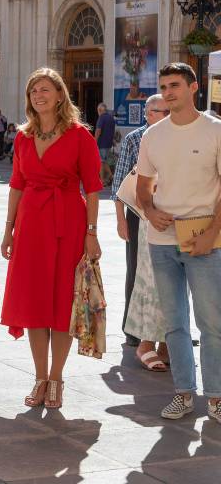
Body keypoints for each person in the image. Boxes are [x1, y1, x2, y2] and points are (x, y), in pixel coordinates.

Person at [0, 67, 102, 409]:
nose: (39, 96)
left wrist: (92, 233)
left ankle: (57, 377)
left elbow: (93, 189)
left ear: (60, 95)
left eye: (45, 90)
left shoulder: (80, 136)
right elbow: (16, 184)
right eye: (33, 92)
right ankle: (40, 376)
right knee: (34, 303)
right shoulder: (23, 137)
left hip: (68, 225)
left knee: (62, 303)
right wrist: (8, 229)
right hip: (30, 226)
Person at [136, 62, 221, 423]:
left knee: (212, 322)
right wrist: (150, 211)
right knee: (174, 323)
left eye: (174, 86)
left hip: (206, 237)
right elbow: (142, 186)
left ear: (193, 87)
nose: (168, 92)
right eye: (164, 87)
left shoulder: (215, 131)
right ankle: (183, 393)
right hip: (162, 239)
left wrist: (212, 234)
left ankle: (216, 397)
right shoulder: (153, 135)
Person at [117, 94, 170, 370]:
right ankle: (137, 334)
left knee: (170, 278)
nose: (162, 115)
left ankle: (166, 339)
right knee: (139, 271)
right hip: (141, 214)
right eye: (159, 111)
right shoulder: (137, 139)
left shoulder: (175, 136)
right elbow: (121, 184)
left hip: (172, 215)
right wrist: (120, 220)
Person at [95, 102, 116, 185]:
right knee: (104, 161)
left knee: (101, 161)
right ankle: (111, 176)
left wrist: (94, 141)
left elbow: (98, 130)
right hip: (108, 143)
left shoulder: (101, 118)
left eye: (98, 110)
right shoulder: (111, 118)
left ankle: (102, 181)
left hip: (102, 143)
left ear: (100, 110)